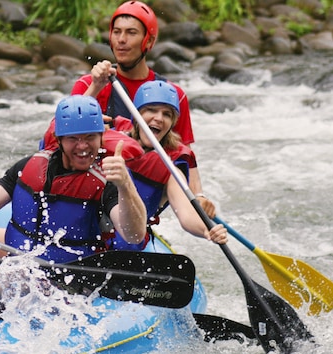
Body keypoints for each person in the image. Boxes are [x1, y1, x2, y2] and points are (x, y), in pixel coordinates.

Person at [38, 1, 215, 216]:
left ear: (148, 41)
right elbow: (58, 138)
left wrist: (199, 196)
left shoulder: (172, 95)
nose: (121, 40)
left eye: (131, 33)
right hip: (87, 189)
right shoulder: (90, 84)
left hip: (137, 195)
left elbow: (183, 154)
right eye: (117, 32)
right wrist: (95, 86)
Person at [0, 95, 148, 263]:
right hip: (22, 260)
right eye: (73, 138)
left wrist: (125, 185)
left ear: (101, 137)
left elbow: (133, 235)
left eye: (90, 137)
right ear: (59, 140)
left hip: (69, 276)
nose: (82, 146)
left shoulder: (109, 178)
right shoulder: (30, 166)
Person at [109, 81, 228, 250]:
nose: (159, 118)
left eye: (167, 114)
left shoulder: (171, 168)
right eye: (151, 110)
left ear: (172, 123)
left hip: (128, 245)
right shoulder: (111, 135)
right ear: (136, 115)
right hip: (91, 238)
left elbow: (186, 214)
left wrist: (207, 230)